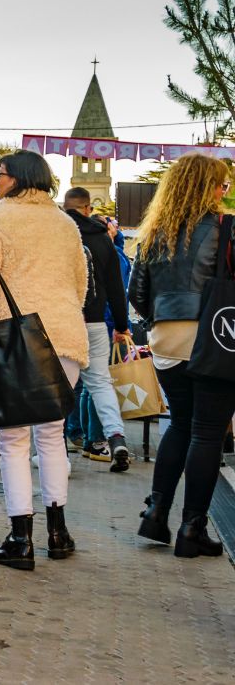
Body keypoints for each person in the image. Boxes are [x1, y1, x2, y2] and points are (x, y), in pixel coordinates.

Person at [0, 150, 88, 573]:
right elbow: (81, 283)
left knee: (13, 440)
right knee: (52, 436)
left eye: (0, 174)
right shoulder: (67, 224)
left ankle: (20, 537)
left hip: (17, 337)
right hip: (66, 337)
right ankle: (58, 533)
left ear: (19, 178)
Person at [129, 152, 233, 558]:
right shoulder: (226, 228)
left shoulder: (157, 231)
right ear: (208, 188)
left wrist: (160, 317)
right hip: (214, 336)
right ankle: (193, 529)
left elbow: (137, 294)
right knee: (208, 432)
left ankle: (156, 513)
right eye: (222, 185)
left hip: (165, 339)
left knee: (179, 425)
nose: (224, 192)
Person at [62, 187, 132, 471]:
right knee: (100, 383)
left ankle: (57, 452)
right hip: (94, 323)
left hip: (63, 321)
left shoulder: (59, 234)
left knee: (61, 387)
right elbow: (117, 288)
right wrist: (122, 326)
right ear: (88, 208)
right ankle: (116, 437)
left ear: (66, 207)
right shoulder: (104, 240)